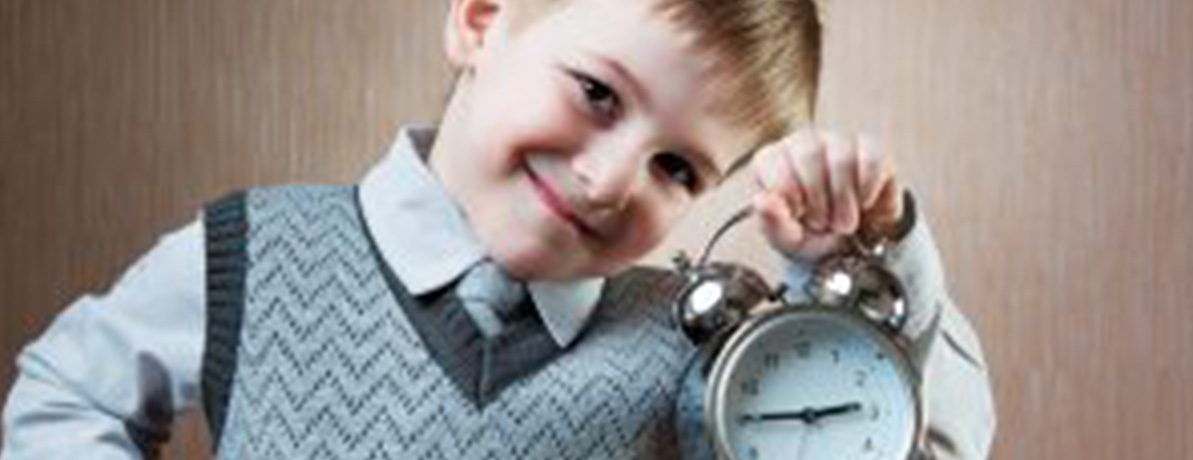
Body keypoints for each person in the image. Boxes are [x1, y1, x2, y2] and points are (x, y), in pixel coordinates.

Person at [1, 0, 996, 459]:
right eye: (598, 93)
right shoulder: (257, 253)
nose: (611, 178)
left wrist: (864, 262)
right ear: (481, 18)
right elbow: (67, 392)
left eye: (677, 167)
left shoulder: (699, 356)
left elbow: (931, 448)